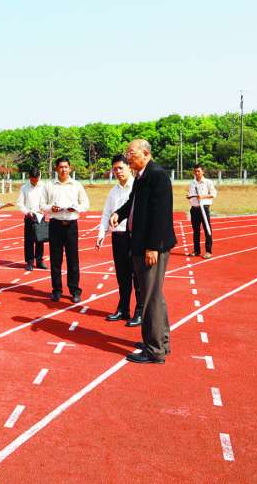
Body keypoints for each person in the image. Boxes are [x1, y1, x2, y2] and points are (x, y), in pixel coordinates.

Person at [111, 139, 177, 364]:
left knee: (150, 298)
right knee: (154, 295)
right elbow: (132, 203)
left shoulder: (157, 176)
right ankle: (160, 341)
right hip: (140, 244)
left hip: (151, 247)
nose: (128, 157)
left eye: (131, 153)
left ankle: (154, 350)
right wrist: (119, 214)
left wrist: (153, 247)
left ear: (146, 153)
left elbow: (160, 215)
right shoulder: (140, 177)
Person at [96, 154, 141, 325]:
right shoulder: (113, 191)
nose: (118, 172)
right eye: (115, 169)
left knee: (137, 276)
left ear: (129, 167)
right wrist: (102, 234)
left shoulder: (137, 187)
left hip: (134, 236)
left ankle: (140, 311)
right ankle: (123, 309)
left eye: (121, 168)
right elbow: (106, 214)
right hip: (118, 237)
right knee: (122, 276)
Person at [40, 157, 89, 303]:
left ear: (70, 168)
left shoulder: (76, 185)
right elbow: (42, 205)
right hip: (55, 225)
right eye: (61, 167)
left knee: (73, 260)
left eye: (66, 167)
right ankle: (56, 290)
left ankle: (75, 290)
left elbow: (85, 204)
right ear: (56, 169)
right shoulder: (49, 185)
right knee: (55, 260)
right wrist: (51, 208)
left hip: (71, 225)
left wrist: (76, 208)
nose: (63, 170)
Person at [16, 168, 47, 271]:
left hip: (40, 216)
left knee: (40, 239)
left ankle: (39, 261)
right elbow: (20, 203)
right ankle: (29, 262)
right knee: (29, 240)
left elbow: (47, 201)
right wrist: (27, 212)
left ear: (39, 177)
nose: (35, 182)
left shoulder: (44, 186)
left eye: (36, 180)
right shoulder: (24, 188)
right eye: (33, 180)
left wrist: (43, 209)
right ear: (29, 178)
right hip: (29, 216)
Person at [187, 163, 217, 259]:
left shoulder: (208, 182)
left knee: (207, 230)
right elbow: (191, 194)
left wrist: (203, 196)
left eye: (198, 171)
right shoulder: (192, 183)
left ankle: (208, 251)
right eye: (195, 171)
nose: (196, 173)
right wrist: (189, 196)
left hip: (204, 208)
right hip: (194, 209)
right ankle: (196, 250)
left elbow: (214, 194)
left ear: (203, 172)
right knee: (196, 231)